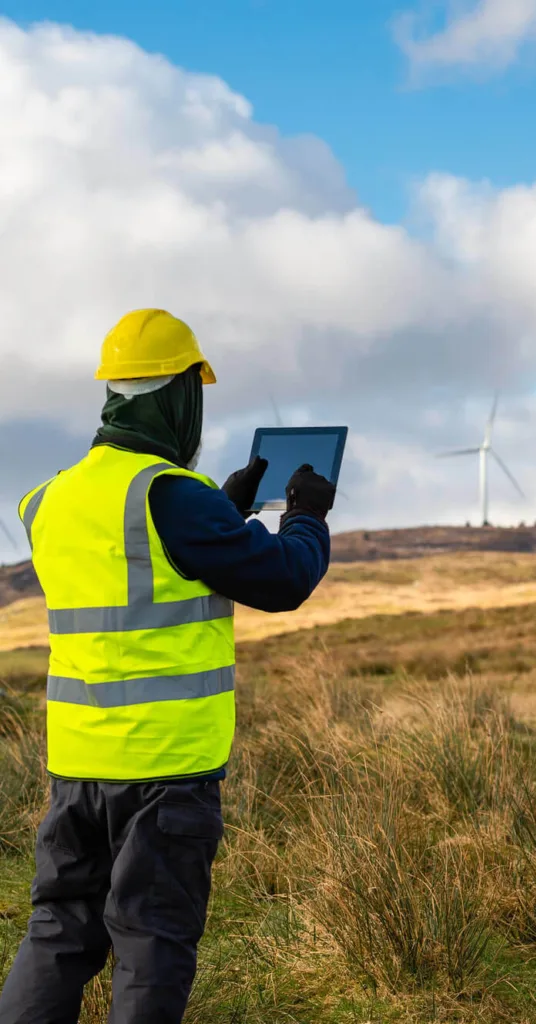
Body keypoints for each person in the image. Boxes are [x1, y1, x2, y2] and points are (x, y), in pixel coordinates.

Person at [0, 309, 336, 1024]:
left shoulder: (49, 500)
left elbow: (138, 560)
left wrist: (224, 503)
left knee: (59, 930)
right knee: (151, 942)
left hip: (78, 766)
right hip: (165, 773)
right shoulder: (171, 497)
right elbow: (282, 578)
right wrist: (305, 515)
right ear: (183, 392)